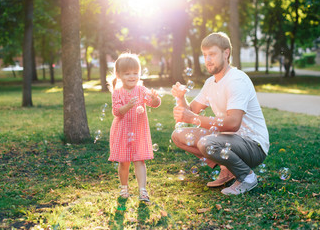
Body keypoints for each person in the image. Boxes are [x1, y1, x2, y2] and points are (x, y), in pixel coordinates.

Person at [171, 32, 269, 195]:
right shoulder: (210, 82)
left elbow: (233, 123)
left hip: (253, 144)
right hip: (228, 142)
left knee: (206, 142)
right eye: (205, 55)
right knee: (178, 135)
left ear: (226, 53)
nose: (208, 60)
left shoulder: (236, 80)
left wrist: (194, 119)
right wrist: (181, 97)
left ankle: (247, 177)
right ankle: (228, 169)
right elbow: (191, 111)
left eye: (212, 54)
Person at [108, 52, 161, 202]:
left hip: (139, 131)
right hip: (122, 131)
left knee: (140, 160)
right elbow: (117, 111)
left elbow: (153, 103)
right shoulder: (117, 92)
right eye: (127, 74)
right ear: (118, 75)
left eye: (135, 73)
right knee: (124, 162)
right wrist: (128, 106)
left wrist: (155, 98)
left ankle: (142, 191)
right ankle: (124, 188)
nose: (132, 77)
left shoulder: (141, 89)